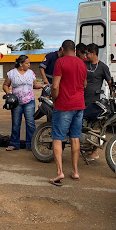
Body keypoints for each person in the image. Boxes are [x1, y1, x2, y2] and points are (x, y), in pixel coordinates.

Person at [49, 40, 87, 186]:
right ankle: (75, 171)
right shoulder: (82, 63)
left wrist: (55, 99)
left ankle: (59, 172)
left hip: (64, 105)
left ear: (63, 49)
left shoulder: (60, 62)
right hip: (79, 105)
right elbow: (84, 84)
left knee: (57, 138)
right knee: (75, 138)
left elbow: (55, 86)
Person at [3, 55, 44, 151]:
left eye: (29, 63)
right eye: (27, 63)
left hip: (29, 101)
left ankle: (31, 144)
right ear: (21, 64)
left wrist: (42, 86)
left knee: (30, 123)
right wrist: (8, 92)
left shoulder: (31, 73)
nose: (29, 65)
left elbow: (34, 85)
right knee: (16, 123)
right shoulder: (12, 73)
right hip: (16, 102)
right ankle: (14, 143)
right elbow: (5, 85)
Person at [83, 43, 114, 160]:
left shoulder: (103, 67)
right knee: (84, 125)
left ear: (93, 53)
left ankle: (94, 151)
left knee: (96, 126)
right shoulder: (84, 64)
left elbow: (110, 82)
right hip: (82, 99)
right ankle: (86, 147)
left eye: (87, 53)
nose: (86, 56)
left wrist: (113, 94)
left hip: (95, 101)